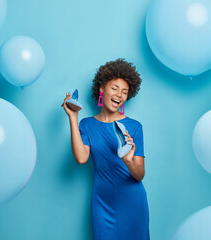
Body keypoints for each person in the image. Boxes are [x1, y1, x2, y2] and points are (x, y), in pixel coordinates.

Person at [62, 58, 149, 239]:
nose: (119, 94)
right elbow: (81, 158)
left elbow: (140, 174)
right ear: (102, 89)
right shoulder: (87, 124)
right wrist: (73, 117)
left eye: (124, 91)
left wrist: (128, 161)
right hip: (102, 202)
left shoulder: (134, 126)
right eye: (114, 88)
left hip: (132, 201)